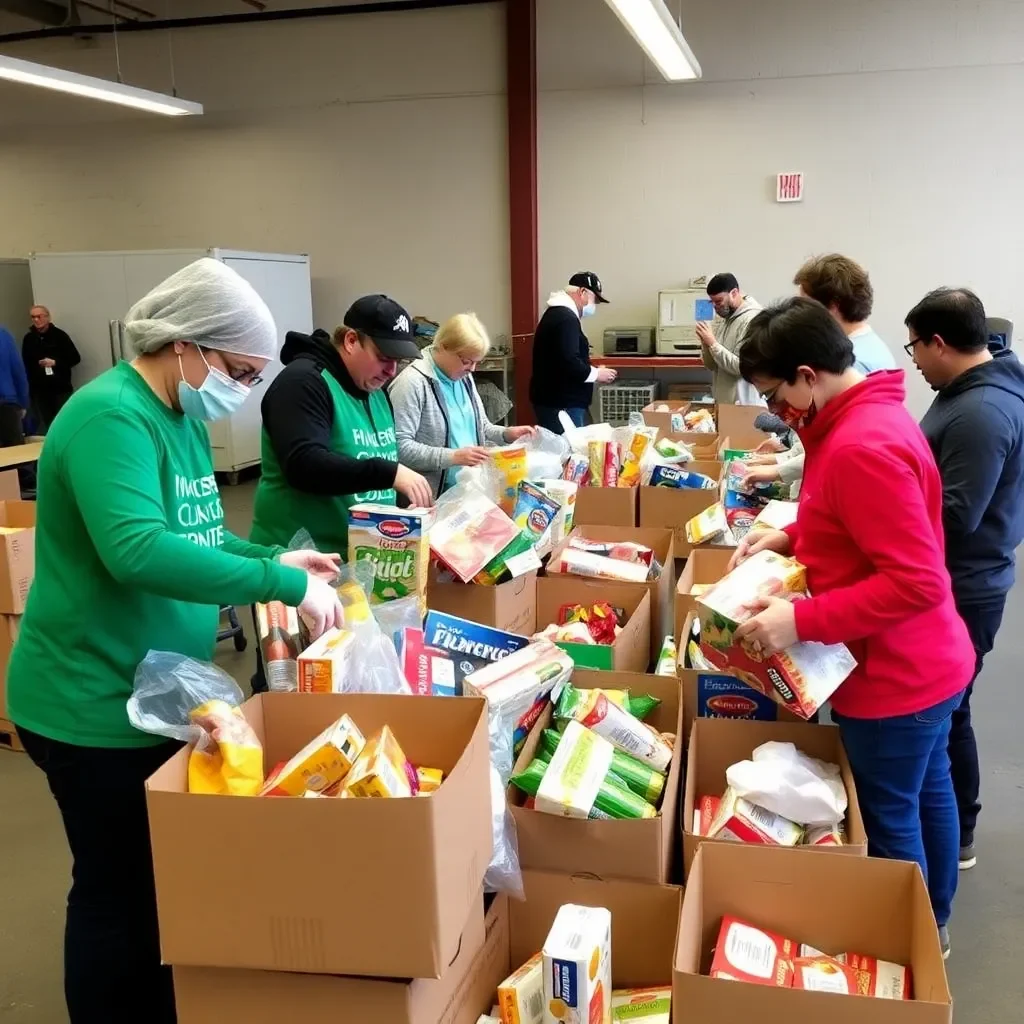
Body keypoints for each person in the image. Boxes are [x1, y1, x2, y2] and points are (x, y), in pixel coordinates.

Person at [5, 258, 345, 1023]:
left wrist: (271, 557)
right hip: (90, 702)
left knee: (158, 880)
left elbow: (196, 532)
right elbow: (136, 549)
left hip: (157, 696)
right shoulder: (109, 417)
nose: (242, 388)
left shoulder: (181, 418)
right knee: (115, 888)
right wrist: (285, 589)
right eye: (238, 369)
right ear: (186, 345)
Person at [728, 297, 973, 955]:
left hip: (897, 675)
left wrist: (801, 618)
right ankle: (936, 919)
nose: (777, 413)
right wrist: (791, 536)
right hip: (930, 661)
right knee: (928, 793)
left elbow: (916, 580)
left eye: (777, 396)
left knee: (893, 817)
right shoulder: (866, 418)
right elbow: (857, 521)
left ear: (809, 375)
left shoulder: (861, 443)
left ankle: (913, 941)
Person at [907, 287, 1024, 872]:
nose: (916, 363)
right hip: (960, 577)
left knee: (948, 711)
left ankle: (961, 833)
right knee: (950, 709)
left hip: (965, 584)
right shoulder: (965, 393)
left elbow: (956, 514)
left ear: (939, 343)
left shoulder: (981, 412)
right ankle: (957, 828)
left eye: (915, 350)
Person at [250, 295, 433, 560]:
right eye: (383, 357)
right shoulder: (303, 382)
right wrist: (387, 472)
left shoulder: (376, 392)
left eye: (398, 362)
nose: (391, 371)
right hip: (298, 562)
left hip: (358, 561)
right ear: (350, 340)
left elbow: (381, 467)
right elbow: (304, 465)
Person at [390, 312, 537, 498]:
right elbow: (400, 448)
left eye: (477, 362)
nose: (472, 369)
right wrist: (453, 457)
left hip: (467, 491)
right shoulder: (411, 383)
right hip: (430, 498)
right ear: (443, 347)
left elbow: (481, 428)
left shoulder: (463, 378)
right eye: (466, 361)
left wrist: (507, 434)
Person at [529, 271, 617, 433]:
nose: (594, 305)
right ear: (582, 292)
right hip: (562, 403)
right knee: (568, 452)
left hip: (555, 400)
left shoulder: (557, 314)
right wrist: (596, 374)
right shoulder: (565, 318)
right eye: (594, 300)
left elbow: (562, 356)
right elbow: (568, 360)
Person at [695, 273, 762, 404]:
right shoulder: (726, 319)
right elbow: (712, 366)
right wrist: (705, 343)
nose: (715, 306)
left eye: (719, 301)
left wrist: (713, 343)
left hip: (742, 405)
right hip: (724, 403)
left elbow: (741, 367)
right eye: (712, 302)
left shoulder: (752, 319)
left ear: (734, 293)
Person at [22, 305, 81, 431]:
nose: (36, 320)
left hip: (60, 389)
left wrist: (55, 363)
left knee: (65, 423)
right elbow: (25, 364)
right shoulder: (29, 339)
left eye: (39, 316)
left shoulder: (60, 336)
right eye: (33, 317)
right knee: (48, 425)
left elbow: (75, 358)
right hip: (40, 391)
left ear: (47, 317)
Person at [0, 323, 29, 446]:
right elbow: (18, 370)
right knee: (15, 455)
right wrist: (23, 402)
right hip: (7, 403)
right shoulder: (4, 335)